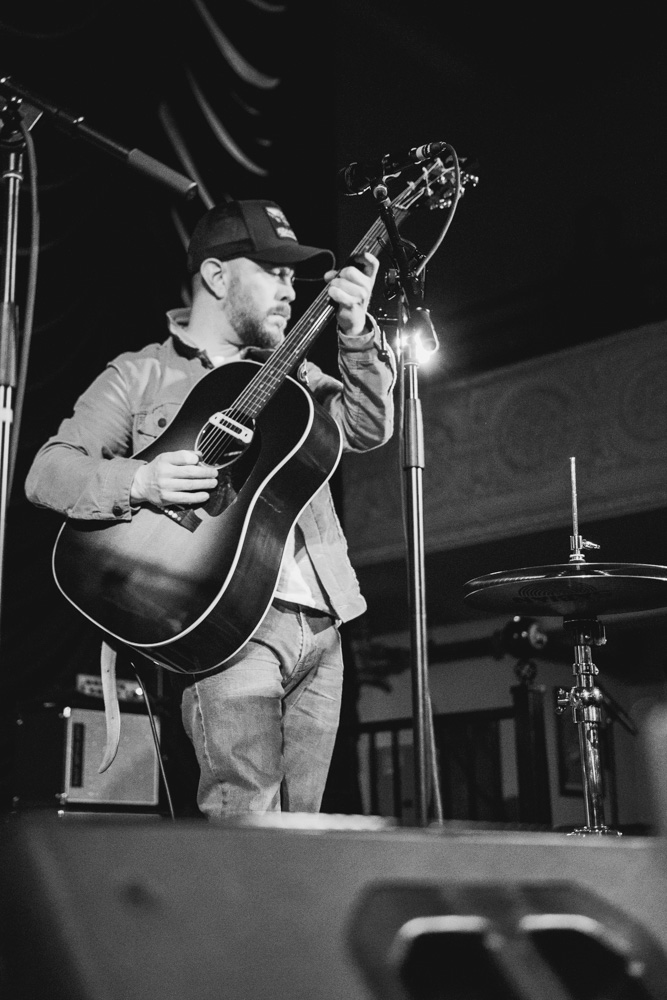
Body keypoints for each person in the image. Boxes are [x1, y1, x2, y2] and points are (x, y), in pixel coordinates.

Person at [25, 198, 396, 818]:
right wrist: (141, 479)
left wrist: (358, 331)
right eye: (273, 272)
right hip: (226, 622)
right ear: (218, 277)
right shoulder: (141, 373)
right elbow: (47, 470)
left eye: (292, 276)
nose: (290, 288)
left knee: (306, 832)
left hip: (323, 618)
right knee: (245, 820)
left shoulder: (295, 373)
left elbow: (367, 426)